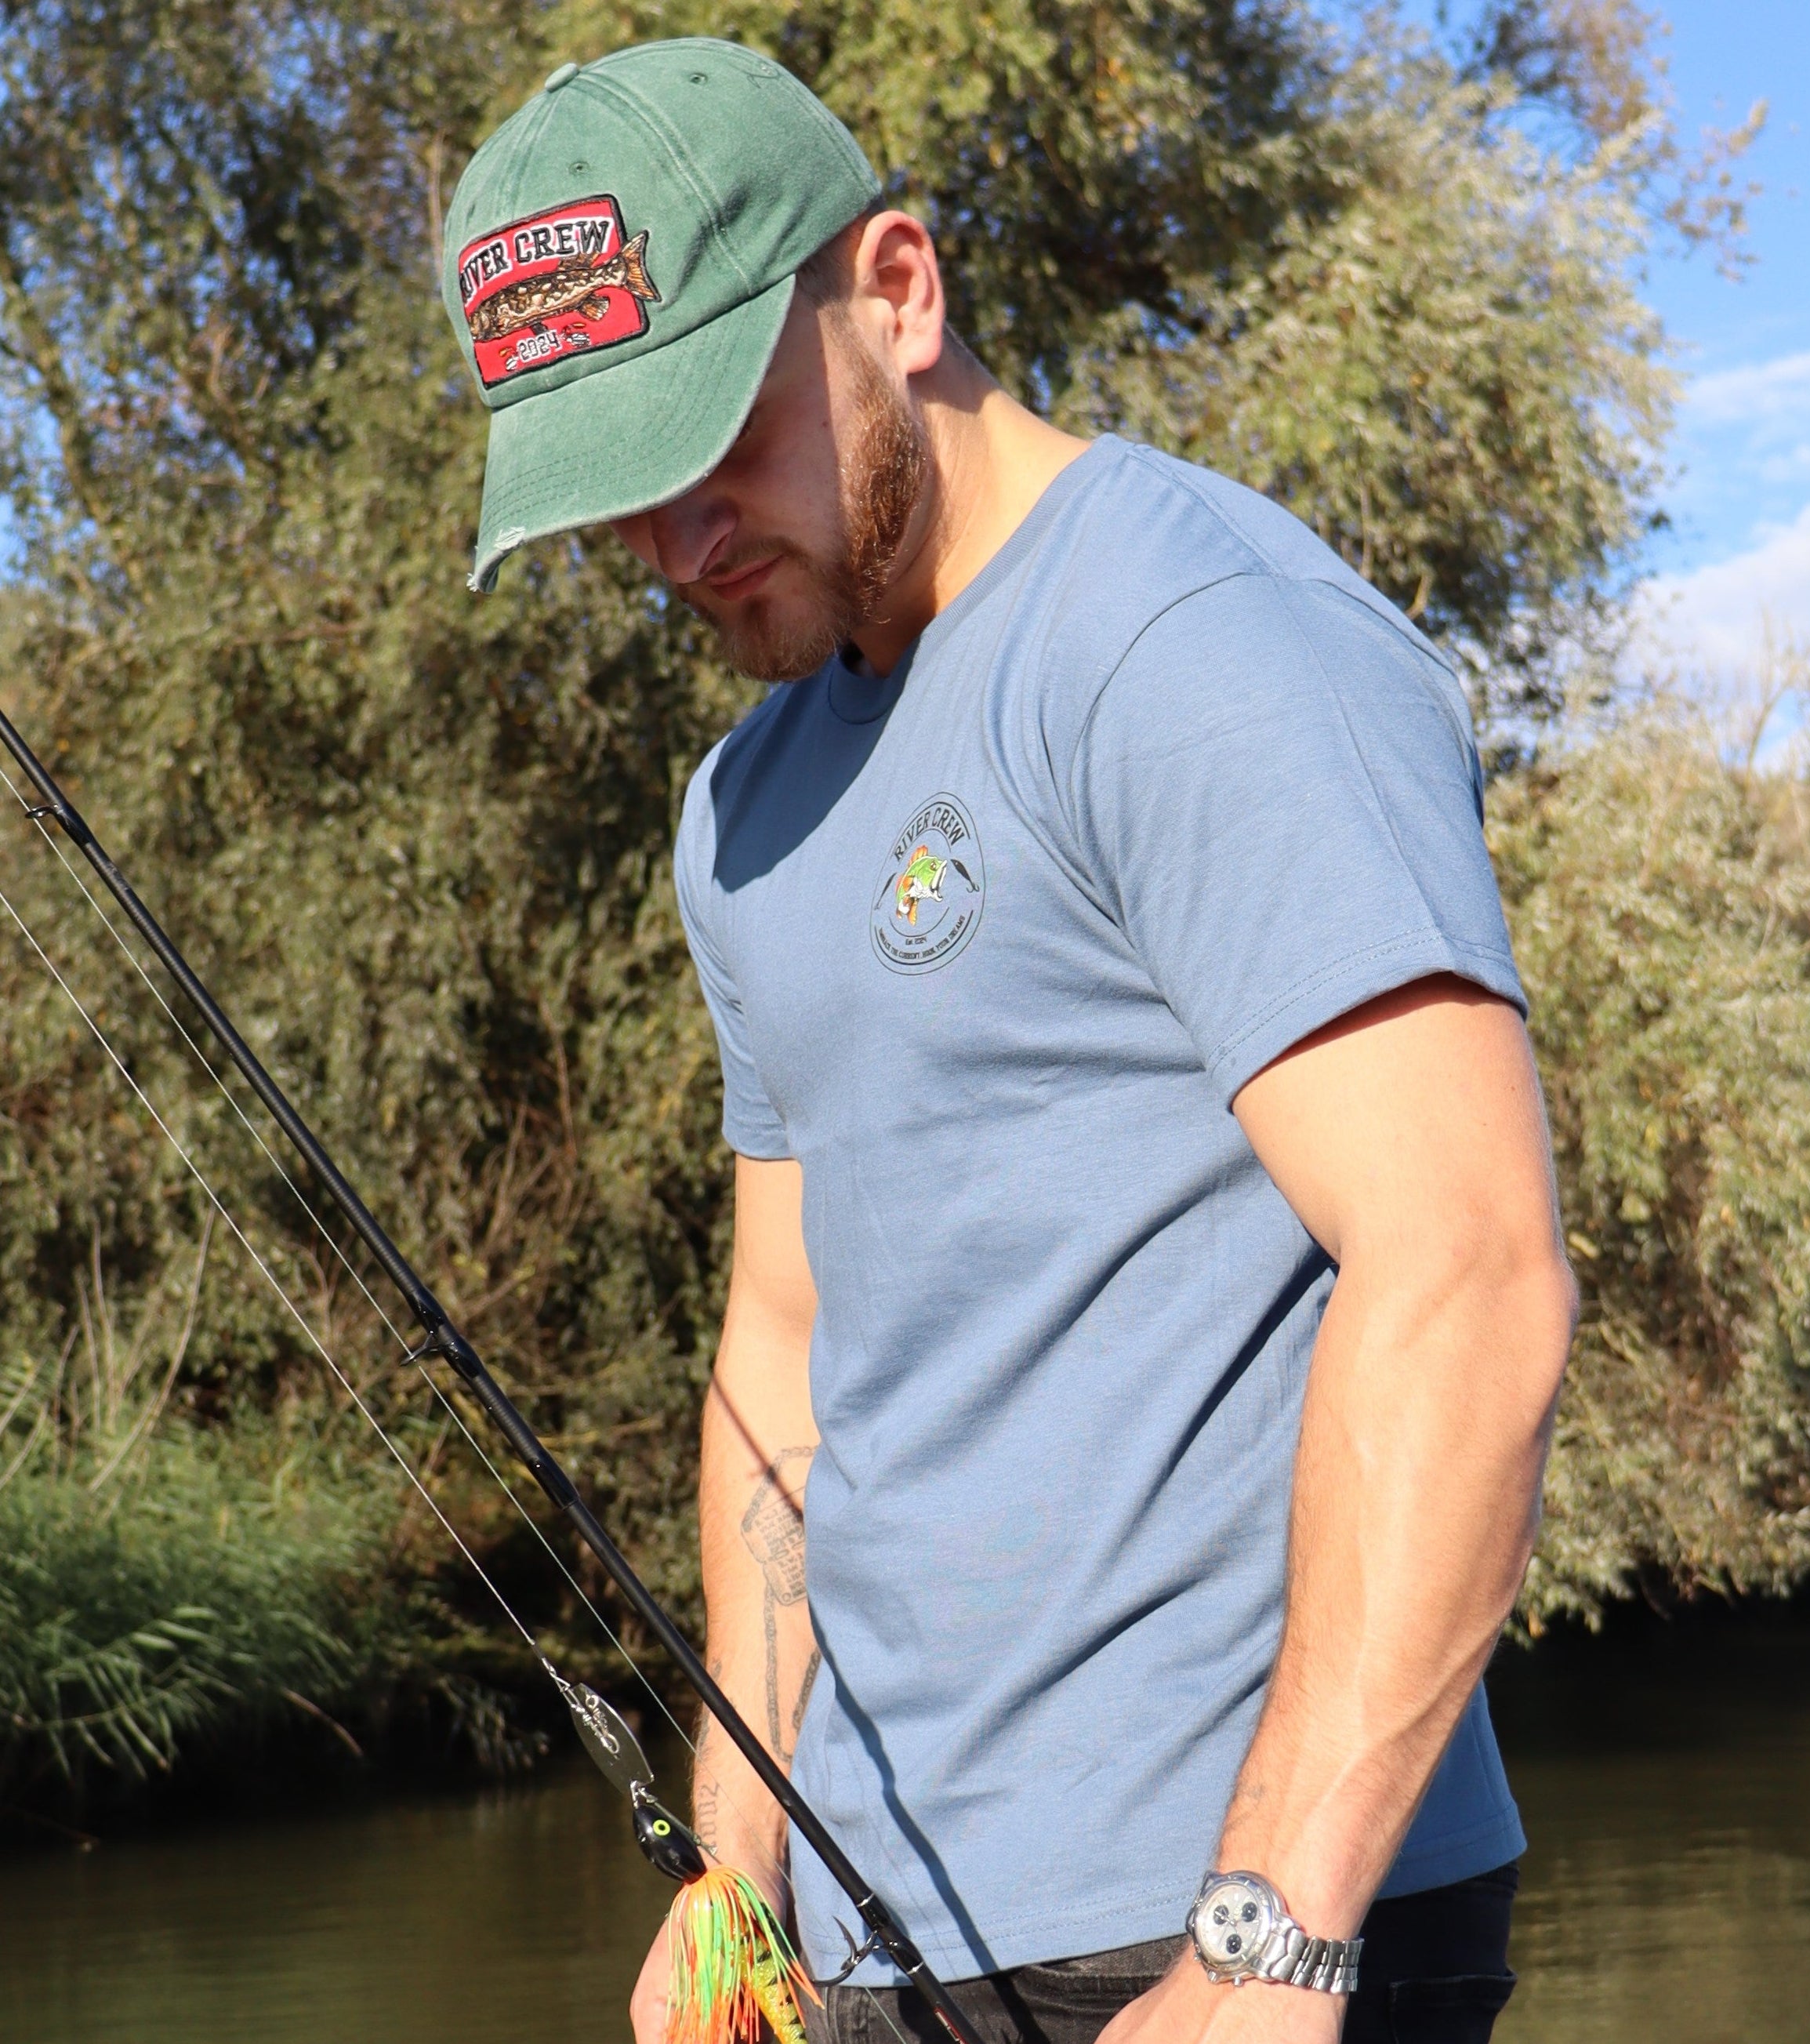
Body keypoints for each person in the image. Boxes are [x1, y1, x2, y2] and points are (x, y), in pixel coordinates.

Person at [441, 38, 1575, 2044]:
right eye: (617, 496)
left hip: (1237, 1920)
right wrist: (738, 1864)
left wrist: (1272, 1939)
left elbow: (1467, 1273)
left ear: (895, 289)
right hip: (880, 1922)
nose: (679, 540)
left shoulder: (1192, 645)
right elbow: (783, 1352)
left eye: (714, 440)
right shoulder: (743, 803)